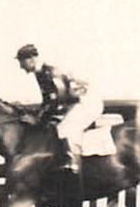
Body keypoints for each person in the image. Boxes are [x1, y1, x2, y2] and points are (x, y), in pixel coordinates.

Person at [15, 43, 103, 193]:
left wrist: (37, 119)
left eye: (21, 62)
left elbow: (56, 101)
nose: (21, 67)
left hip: (88, 102)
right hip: (75, 103)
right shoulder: (40, 72)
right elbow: (49, 102)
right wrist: (37, 116)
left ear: (30, 59)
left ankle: (73, 166)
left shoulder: (48, 71)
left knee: (65, 129)